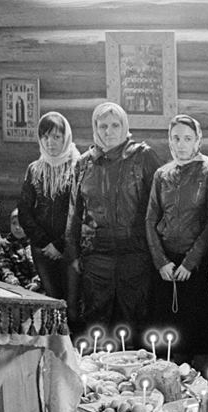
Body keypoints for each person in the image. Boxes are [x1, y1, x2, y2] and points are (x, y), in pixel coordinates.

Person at [66, 102, 160, 343]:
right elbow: (75, 212)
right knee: (97, 323)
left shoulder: (143, 156)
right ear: (95, 128)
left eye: (115, 125)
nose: (109, 131)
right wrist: (73, 253)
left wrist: (157, 254)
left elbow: (156, 208)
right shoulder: (84, 163)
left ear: (124, 126)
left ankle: (135, 366)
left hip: (135, 254)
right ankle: (98, 367)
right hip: (96, 256)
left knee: (133, 321)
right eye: (103, 126)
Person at [147, 114, 208, 365]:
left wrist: (190, 262)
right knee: (169, 334)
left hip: (196, 263)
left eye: (187, 138)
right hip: (167, 263)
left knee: (197, 329)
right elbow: (150, 219)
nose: (181, 144)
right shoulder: (162, 174)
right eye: (176, 138)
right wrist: (161, 261)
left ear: (198, 140)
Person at [17, 112, 80, 319]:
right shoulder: (35, 169)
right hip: (42, 249)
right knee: (53, 304)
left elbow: (80, 211)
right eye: (44, 137)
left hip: (71, 249)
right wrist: (44, 243)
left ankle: (75, 341)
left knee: (73, 306)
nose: (50, 142)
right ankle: (57, 342)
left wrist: (60, 244)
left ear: (65, 137)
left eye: (56, 136)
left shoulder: (79, 167)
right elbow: (24, 210)